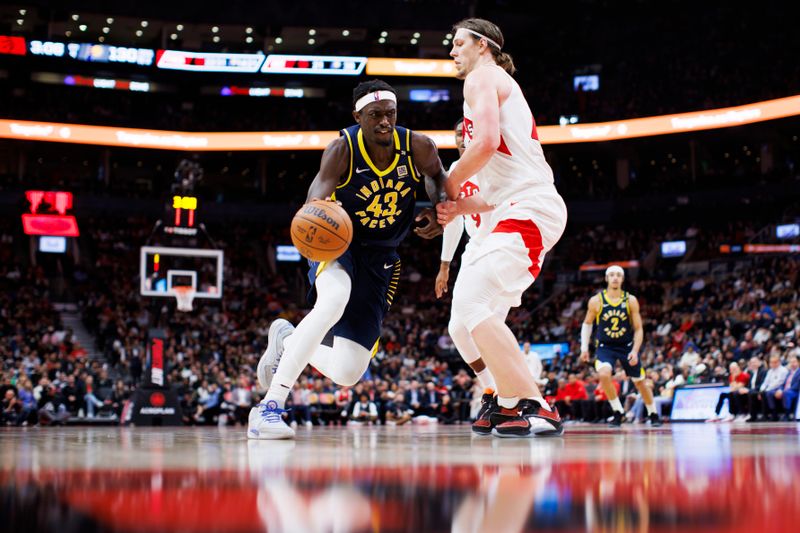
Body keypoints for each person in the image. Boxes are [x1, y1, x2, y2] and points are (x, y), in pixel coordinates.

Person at [249, 79, 446, 439]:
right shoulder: (342, 149)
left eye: (390, 114)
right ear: (358, 115)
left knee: (348, 371)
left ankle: (289, 340)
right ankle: (269, 409)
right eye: (375, 116)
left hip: (382, 255)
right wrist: (321, 209)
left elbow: (437, 179)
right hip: (339, 246)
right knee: (334, 298)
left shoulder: (418, 145)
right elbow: (312, 201)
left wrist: (438, 208)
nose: (385, 122)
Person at [437, 18, 568, 437]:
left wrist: (449, 182)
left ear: (483, 45)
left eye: (459, 43)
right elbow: (489, 190)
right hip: (513, 208)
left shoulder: (481, 77)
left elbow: (488, 141)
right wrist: (457, 206)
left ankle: (535, 403)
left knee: (473, 305)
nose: (453, 51)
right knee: (470, 317)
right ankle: (507, 403)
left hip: (529, 207)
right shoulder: (488, 82)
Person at [436, 119, 498, 409]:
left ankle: (516, 396)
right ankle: (493, 390)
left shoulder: (495, 163)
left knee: (489, 328)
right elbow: (453, 220)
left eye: (467, 132)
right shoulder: (453, 172)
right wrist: (445, 264)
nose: (463, 137)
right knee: (457, 330)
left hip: (502, 247)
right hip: (474, 250)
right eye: (458, 133)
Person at [580, 265, 661, 427]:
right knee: (604, 374)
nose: (615, 277)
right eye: (612, 275)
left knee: (640, 382)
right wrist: (584, 348)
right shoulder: (596, 301)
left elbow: (638, 329)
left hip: (626, 346)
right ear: (606, 278)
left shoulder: (630, 300)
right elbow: (587, 324)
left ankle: (653, 413)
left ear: (622, 279)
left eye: (618, 275)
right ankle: (618, 411)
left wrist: (635, 351)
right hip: (605, 347)